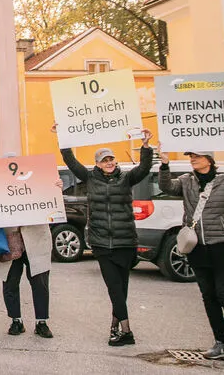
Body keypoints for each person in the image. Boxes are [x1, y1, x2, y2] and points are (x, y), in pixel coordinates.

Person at [160, 142, 224, 363]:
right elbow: (167, 187)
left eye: (197, 155)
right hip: (197, 247)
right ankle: (221, 343)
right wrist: (165, 164)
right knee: (208, 295)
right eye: (191, 156)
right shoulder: (186, 182)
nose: (193, 159)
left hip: (223, 245)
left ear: (209, 158)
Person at [59, 128, 154, 345]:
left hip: (125, 242)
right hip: (102, 243)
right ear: (98, 164)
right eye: (104, 160)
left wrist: (146, 146)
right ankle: (127, 331)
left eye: (111, 159)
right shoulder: (90, 178)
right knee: (114, 288)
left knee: (121, 289)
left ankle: (114, 328)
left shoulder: (126, 178)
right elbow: (71, 162)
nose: (109, 163)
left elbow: (144, 168)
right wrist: (62, 139)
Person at [0, 173, 60, 338]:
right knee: (10, 281)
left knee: (40, 282)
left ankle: (41, 322)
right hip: (9, 239)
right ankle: (16, 320)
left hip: (35, 237)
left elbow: (51, 205)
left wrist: (55, 189)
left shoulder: (36, 182)